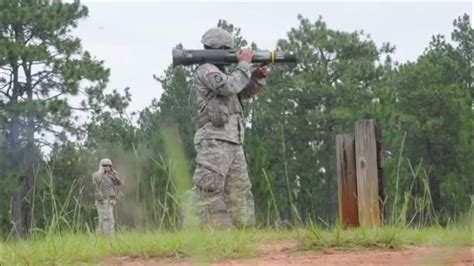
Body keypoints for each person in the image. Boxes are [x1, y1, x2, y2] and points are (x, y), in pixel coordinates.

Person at [191, 27, 269, 229]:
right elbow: (228, 87)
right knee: (209, 188)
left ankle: (245, 235)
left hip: (234, 141)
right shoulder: (206, 70)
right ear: (220, 48)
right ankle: (206, 236)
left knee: (240, 191)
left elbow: (241, 92)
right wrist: (244, 65)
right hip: (214, 140)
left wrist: (257, 76)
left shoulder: (225, 73)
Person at [92, 158, 123, 235]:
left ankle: (102, 237)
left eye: (109, 165)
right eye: (105, 165)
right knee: (107, 220)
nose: (107, 167)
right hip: (103, 201)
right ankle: (108, 237)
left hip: (111, 201)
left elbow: (120, 182)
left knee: (107, 220)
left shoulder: (111, 176)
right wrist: (101, 171)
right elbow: (96, 180)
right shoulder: (97, 175)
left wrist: (114, 173)